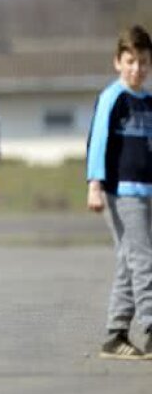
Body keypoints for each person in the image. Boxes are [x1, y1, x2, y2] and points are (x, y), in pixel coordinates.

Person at [86, 24, 152, 360]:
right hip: (119, 191)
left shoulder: (148, 101)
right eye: (130, 61)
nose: (136, 69)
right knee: (144, 260)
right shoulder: (113, 97)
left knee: (130, 259)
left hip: (145, 190)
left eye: (143, 62)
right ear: (117, 62)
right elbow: (97, 143)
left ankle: (116, 334)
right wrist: (94, 185)